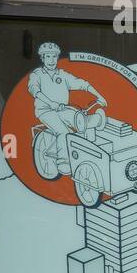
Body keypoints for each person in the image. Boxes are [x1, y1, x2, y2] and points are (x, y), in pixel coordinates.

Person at [28, 42, 108, 174]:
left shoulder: (62, 74)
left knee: (81, 122)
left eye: (54, 57)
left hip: (63, 109)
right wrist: (50, 103)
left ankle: (86, 153)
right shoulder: (37, 75)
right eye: (48, 57)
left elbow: (82, 84)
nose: (51, 60)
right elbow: (34, 90)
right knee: (63, 132)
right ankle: (63, 162)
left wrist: (99, 96)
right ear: (42, 58)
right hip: (45, 111)